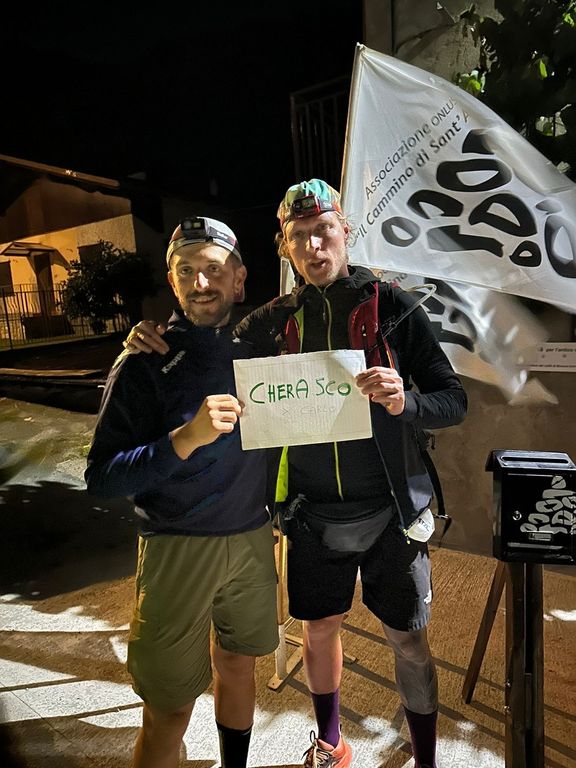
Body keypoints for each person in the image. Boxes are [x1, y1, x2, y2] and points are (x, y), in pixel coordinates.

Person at [125, 180, 468, 768]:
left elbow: (453, 400)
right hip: (310, 514)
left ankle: (428, 757)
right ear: (285, 246)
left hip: (392, 512)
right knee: (318, 631)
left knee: (409, 641)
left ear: (345, 231)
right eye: (299, 236)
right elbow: (207, 343)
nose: (314, 246)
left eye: (323, 231)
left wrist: (405, 401)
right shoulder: (271, 321)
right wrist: (154, 334)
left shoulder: (394, 308)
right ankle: (332, 744)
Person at [85, 216, 279, 768]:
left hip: (251, 537)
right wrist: (184, 440)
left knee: (238, 666)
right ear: (172, 282)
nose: (201, 283)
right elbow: (101, 476)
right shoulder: (143, 361)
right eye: (187, 271)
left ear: (239, 280)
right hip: (175, 546)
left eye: (214, 269)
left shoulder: (261, 348)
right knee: (169, 708)